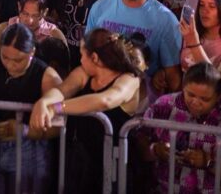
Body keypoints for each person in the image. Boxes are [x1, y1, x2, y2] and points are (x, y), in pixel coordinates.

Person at [31, 28, 144, 194]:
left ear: (95, 58)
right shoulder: (84, 73)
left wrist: (57, 108)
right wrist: (44, 102)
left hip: (113, 162)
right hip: (80, 160)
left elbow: (105, 100)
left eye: (83, 55)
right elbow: (62, 91)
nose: (81, 60)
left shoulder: (130, 79)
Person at [0, 23, 63, 194]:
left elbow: (58, 126)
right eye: (5, 57)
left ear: (32, 52)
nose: (10, 65)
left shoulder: (48, 77)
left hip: (30, 152)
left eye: (18, 60)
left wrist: (23, 130)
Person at [143, 62, 221, 194]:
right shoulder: (163, 105)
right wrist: (156, 149)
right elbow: (139, 140)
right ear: (183, 86)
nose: (195, 102)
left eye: (205, 99)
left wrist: (209, 162)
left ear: (217, 96)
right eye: (190, 95)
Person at [86, 0, 183, 94]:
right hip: (99, 92)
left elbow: (173, 76)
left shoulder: (165, 19)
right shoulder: (100, 7)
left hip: (141, 99)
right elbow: (88, 53)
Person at [0, 0, 66, 48]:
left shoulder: (55, 35)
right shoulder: (3, 29)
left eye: (36, 15)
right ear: (19, 7)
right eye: (25, 14)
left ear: (45, 12)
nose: (30, 21)